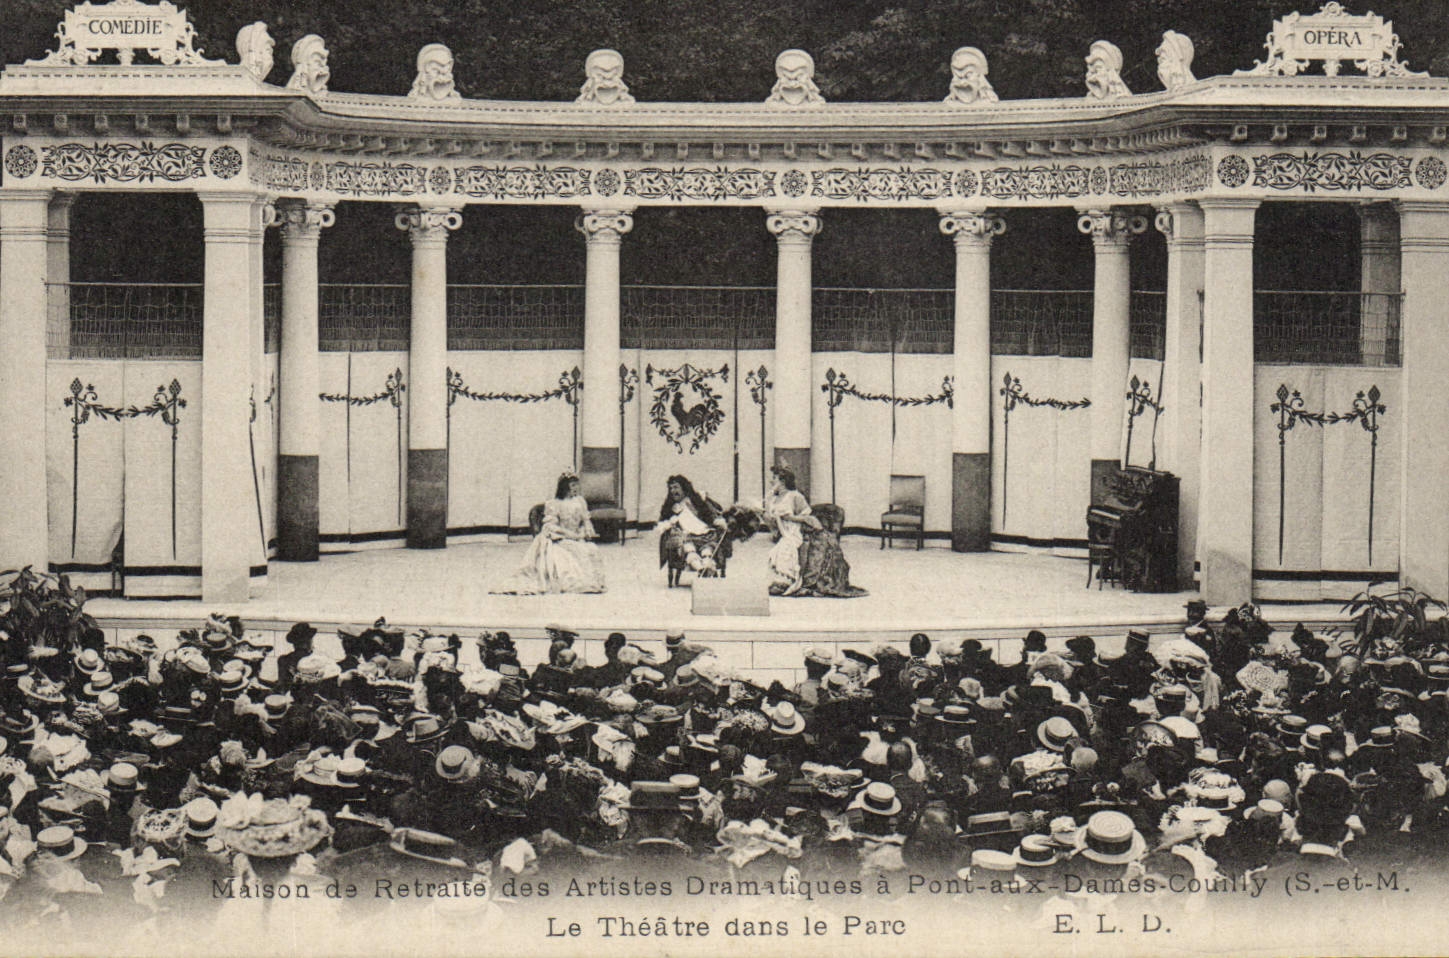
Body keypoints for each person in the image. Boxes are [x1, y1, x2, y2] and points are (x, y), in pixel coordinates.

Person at [494, 471, 605, 594]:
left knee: (591, 549)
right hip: (562, 538)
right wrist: (572, 535)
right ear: (565, 487)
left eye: (577, 485)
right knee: (574, 554)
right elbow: (552, 527)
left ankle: (593, 582)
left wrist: (586, 530)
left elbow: (585, 520)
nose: (576, 488)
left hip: (578, 536)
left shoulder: (580, 501)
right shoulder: (555, 504)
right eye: (573, 485)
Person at [766, 465, 867, 598]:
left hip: (796, 529)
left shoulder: (795, 496)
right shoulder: (774, 497)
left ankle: (791, 581)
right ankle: (782, 580)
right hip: (783, 529)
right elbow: (772, 516)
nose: (771, 481)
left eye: (774, 478)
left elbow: (807, 516)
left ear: (783, 481)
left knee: (786, 547)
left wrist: (789, 518)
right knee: (778, 550)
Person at [658, 475, 727, 584]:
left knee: (707, 550)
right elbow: (664, 523)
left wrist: (718, 522)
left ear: (683, 487)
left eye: (676, 487)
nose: (673, 491)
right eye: (671, 488)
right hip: (687, 536)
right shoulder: (671, 508)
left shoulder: (695, 501)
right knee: (689, 549)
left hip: (704, 533)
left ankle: (707, 566)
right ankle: (700, 569)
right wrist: (670, 523)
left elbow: (709, 516)